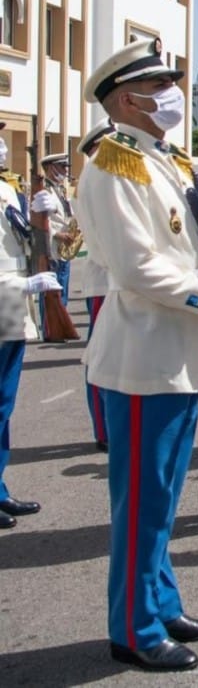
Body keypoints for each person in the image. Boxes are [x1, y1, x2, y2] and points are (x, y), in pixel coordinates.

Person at [77, 37, 198, 671]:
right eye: (161, 88)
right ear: (127, 99)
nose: (172, 97)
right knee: (141, 501)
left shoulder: (165, 160)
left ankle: (160, 602)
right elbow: (137, 269)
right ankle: (132, 628)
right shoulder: (112, 165)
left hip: (177, 355)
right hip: (142, 356)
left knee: (162, 495)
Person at [0, 119, 61, 531]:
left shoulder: (7, 190)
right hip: (8, 297)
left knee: (3, 407)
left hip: (9, 310)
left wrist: (47, 229)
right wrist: (24, 283)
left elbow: (22, 242)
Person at [69, 119, 116, 451]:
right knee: (101, 355)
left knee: (113, 355)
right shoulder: (97, 177)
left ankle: (109, 424)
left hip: (113, 280)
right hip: (103, 280)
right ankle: (103, 429)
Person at [29, 153, 75, 337]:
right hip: (53, 247)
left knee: (62, 289)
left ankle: (59, 326)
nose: (65, 171)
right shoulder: (44, 191)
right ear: (50, 168)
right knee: (50, 291)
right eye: (62, 167)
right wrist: (58, 234)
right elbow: (38, 220)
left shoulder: (59, 190)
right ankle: (50, 329)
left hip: (64, 249)